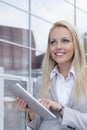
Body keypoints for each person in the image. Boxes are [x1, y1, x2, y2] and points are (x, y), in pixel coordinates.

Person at [16, 20, 87, 130]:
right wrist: (31, 111)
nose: (58, 46)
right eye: (53, 42)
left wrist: (60, 109)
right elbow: (37, 124)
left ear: (76, 45)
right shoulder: (41, 81)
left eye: (65, 41)